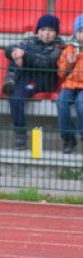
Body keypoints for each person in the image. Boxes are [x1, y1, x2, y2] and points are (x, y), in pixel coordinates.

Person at [2, 14, 64, 150]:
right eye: (42, 30)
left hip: (42, 80)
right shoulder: (29, 41)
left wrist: (24, 55)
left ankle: (11, 77)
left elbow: (46, 63)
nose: (46, 34)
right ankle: (20, 135)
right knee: (15, 98)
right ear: (37, 31)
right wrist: (14, 51)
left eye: (50, 30)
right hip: (25, 77)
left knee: (21, 55)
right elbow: (9, 49)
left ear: (56, 32)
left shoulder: (60, 47)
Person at [56, 14, 83, 155]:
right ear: (75, 33)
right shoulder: (69, 49)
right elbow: (61, 72)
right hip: (71, 84)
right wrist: (69, 63)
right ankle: (68, 139)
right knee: (61, 102)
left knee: (81, 103)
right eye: (81, 31)